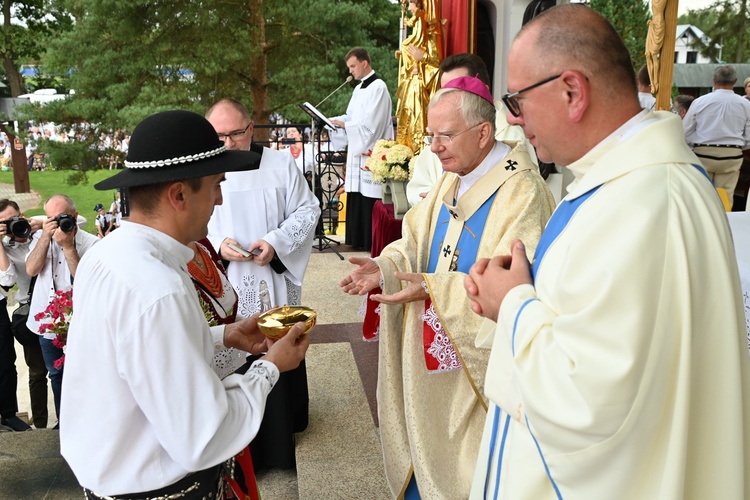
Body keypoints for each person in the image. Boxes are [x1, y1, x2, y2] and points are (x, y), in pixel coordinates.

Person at [465, 5, 750, 498]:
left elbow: (588, 405)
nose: (513, 118)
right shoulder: (622, 181)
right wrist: (532, 288)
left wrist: (511, 304)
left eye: (517, 99)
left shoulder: (642, 201)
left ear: (572, 91)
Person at [59, 110, 310, 497]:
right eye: (215, 185)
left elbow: (135, 352)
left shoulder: (108, 255)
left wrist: (223, 336)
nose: (220, 199)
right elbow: (203, 438)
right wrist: (270, 368)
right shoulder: (158, 288)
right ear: (178, 195)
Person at [340, 76, 555, 498]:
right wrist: (385, 265)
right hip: (431, 353)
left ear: (483, 133)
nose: (433, 147)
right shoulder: (452, 177)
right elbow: (415, 241)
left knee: (468, 466)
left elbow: (516, 283)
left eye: (445, 136)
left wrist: (435, 288)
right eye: (429, 136)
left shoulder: (522, 191)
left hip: (476, 364)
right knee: (428, 443)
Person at [206, 99, 318, 469]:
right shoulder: (204, 168)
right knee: (235, 351)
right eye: (218, 135)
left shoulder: (279, 164)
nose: (227, 142)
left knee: (275, 343)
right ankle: (242, 447)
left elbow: (308, 209)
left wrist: (275, 242)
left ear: (251, 128)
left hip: (271, 275)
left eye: (235, 133)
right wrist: (219, 243)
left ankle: (277, 440)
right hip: (227, 280)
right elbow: (196, 219)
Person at [406, 53, 538, 206]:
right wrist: (432, 200)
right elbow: (418, 187)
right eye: (443, 91)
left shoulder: (511, 135)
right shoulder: (439, 134)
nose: (435, 147)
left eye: (455, 91)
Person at [187, 237, 259, 499]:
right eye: (213, 191)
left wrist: (244, 327)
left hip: (228, 378)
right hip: (200, 404)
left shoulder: (203, 244)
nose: (219, 199)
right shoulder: (162, 267)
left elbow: (224, 311)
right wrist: (270, 368)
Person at [26, 194, 98, 427]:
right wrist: (45, 237)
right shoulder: (40, 238)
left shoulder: (92, 244)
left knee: (86, 375)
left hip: (81, 321)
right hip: (48, 322)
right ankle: (64, 422)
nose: (57, 224)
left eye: (62, 218)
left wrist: (67, 246)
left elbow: (85, 280)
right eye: (51, 219)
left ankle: (86, 421)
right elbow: (31, 269)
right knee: (55, 374)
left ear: (76, 216)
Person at [330, 47, 393, 251]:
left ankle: (370, 241)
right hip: (358, 152)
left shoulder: (379, 88)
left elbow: (372, 125)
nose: (350, 71)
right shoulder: (358, 89)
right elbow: (352, 118)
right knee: (357, 193)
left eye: (353, 66)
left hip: (372, 151)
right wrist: (337, 121)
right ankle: (357, 239)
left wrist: (346, 126)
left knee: (370, 195)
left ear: (364, 63)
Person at [0, 200, 45, 431]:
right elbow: (6, 279)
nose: (10, 226)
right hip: (29, 310)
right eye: (3, 223)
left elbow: (79, 220)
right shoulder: (6, 246)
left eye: (12, 219)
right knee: (37, 372)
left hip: (53, 306)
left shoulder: (39, 231)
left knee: (62, 370)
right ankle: (40, 423)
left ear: (21, 215)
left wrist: (37, 223)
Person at [682, 65, 750, 205]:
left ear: (713, 80)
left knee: (701, 195)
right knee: (725, 197)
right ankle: (722, 225)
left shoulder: (699, 102)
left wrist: (694, 146)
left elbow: (685, 131)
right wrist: (737, 147)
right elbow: (749, 138)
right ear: (735, 81)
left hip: (702, 152)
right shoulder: (745, 104)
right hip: (732, 155)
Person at [395, 0, 441, 153]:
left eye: (410, 4)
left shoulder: (428, 32)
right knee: (406, 112)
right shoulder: (416, 28)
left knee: (419, 115)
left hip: (420, 84)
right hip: (411, 82)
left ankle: (420, 146)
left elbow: (436, 64)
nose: (409, 8)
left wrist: (423, 58)